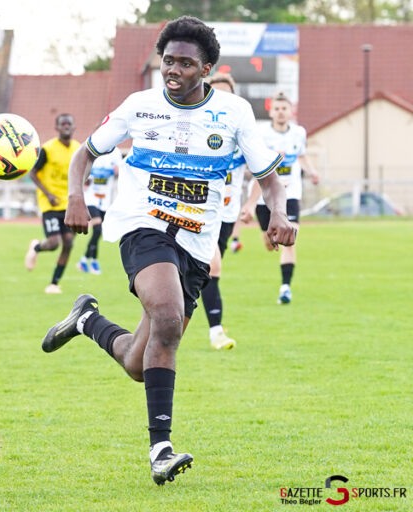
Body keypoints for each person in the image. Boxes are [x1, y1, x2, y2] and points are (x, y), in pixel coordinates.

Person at [40, 16, 296, 485]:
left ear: (207, 68)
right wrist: (75, 198)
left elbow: (271, 179)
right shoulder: (139, 106)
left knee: (140, 363)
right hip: (143, 225)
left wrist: (280, 213)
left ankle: (85, 321)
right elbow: (85, 154)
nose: (172, 70)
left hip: (198, 240)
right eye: (167, 61)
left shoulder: (234, 113)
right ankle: (161, 449)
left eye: (184, 63)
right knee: (168, 314)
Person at [241, 92, 319, 304]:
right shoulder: (261, 133)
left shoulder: (299, 132)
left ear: (290, 111)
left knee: (289, 238)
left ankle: (285, 287)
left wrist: (311, 171)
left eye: (284, 108)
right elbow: (254, 161)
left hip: (290, 192)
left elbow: (301, 155)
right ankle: (267, 236)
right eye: (277, 108)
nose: (280, 112)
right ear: (271, 111)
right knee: (269, 242)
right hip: (263, 194)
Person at [199, 72, 246, 350]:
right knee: (212, 267)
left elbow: (262, 173)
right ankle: (216, 332)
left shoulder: (243, 134)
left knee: (201, 276)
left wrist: (250, 206)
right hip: (199, 214)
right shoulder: (197, 131)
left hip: (227, 216)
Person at [24, 114, 81, 294]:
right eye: (62, 124)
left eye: (69, 124)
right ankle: (36, 247)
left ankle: (54, 284)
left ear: (73, 127)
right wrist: (48, 194)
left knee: (69, 243)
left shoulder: (78, 149)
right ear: (57, 128)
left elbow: (81, 172)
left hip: (69, 203)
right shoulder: (47, 149)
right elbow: (32, 173)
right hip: (50, 203)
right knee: (54, 242)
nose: (66, 127)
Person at [77, 149, 121, 275]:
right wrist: (85, 180)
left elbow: (119, 171)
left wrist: (117, 172)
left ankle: (85, 260)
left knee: (98, 232)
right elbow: (84, 172)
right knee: (97, 230)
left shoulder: (116, 153)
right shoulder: (93, 150)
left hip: (106, 200)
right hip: (91, 199)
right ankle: (91, 261)